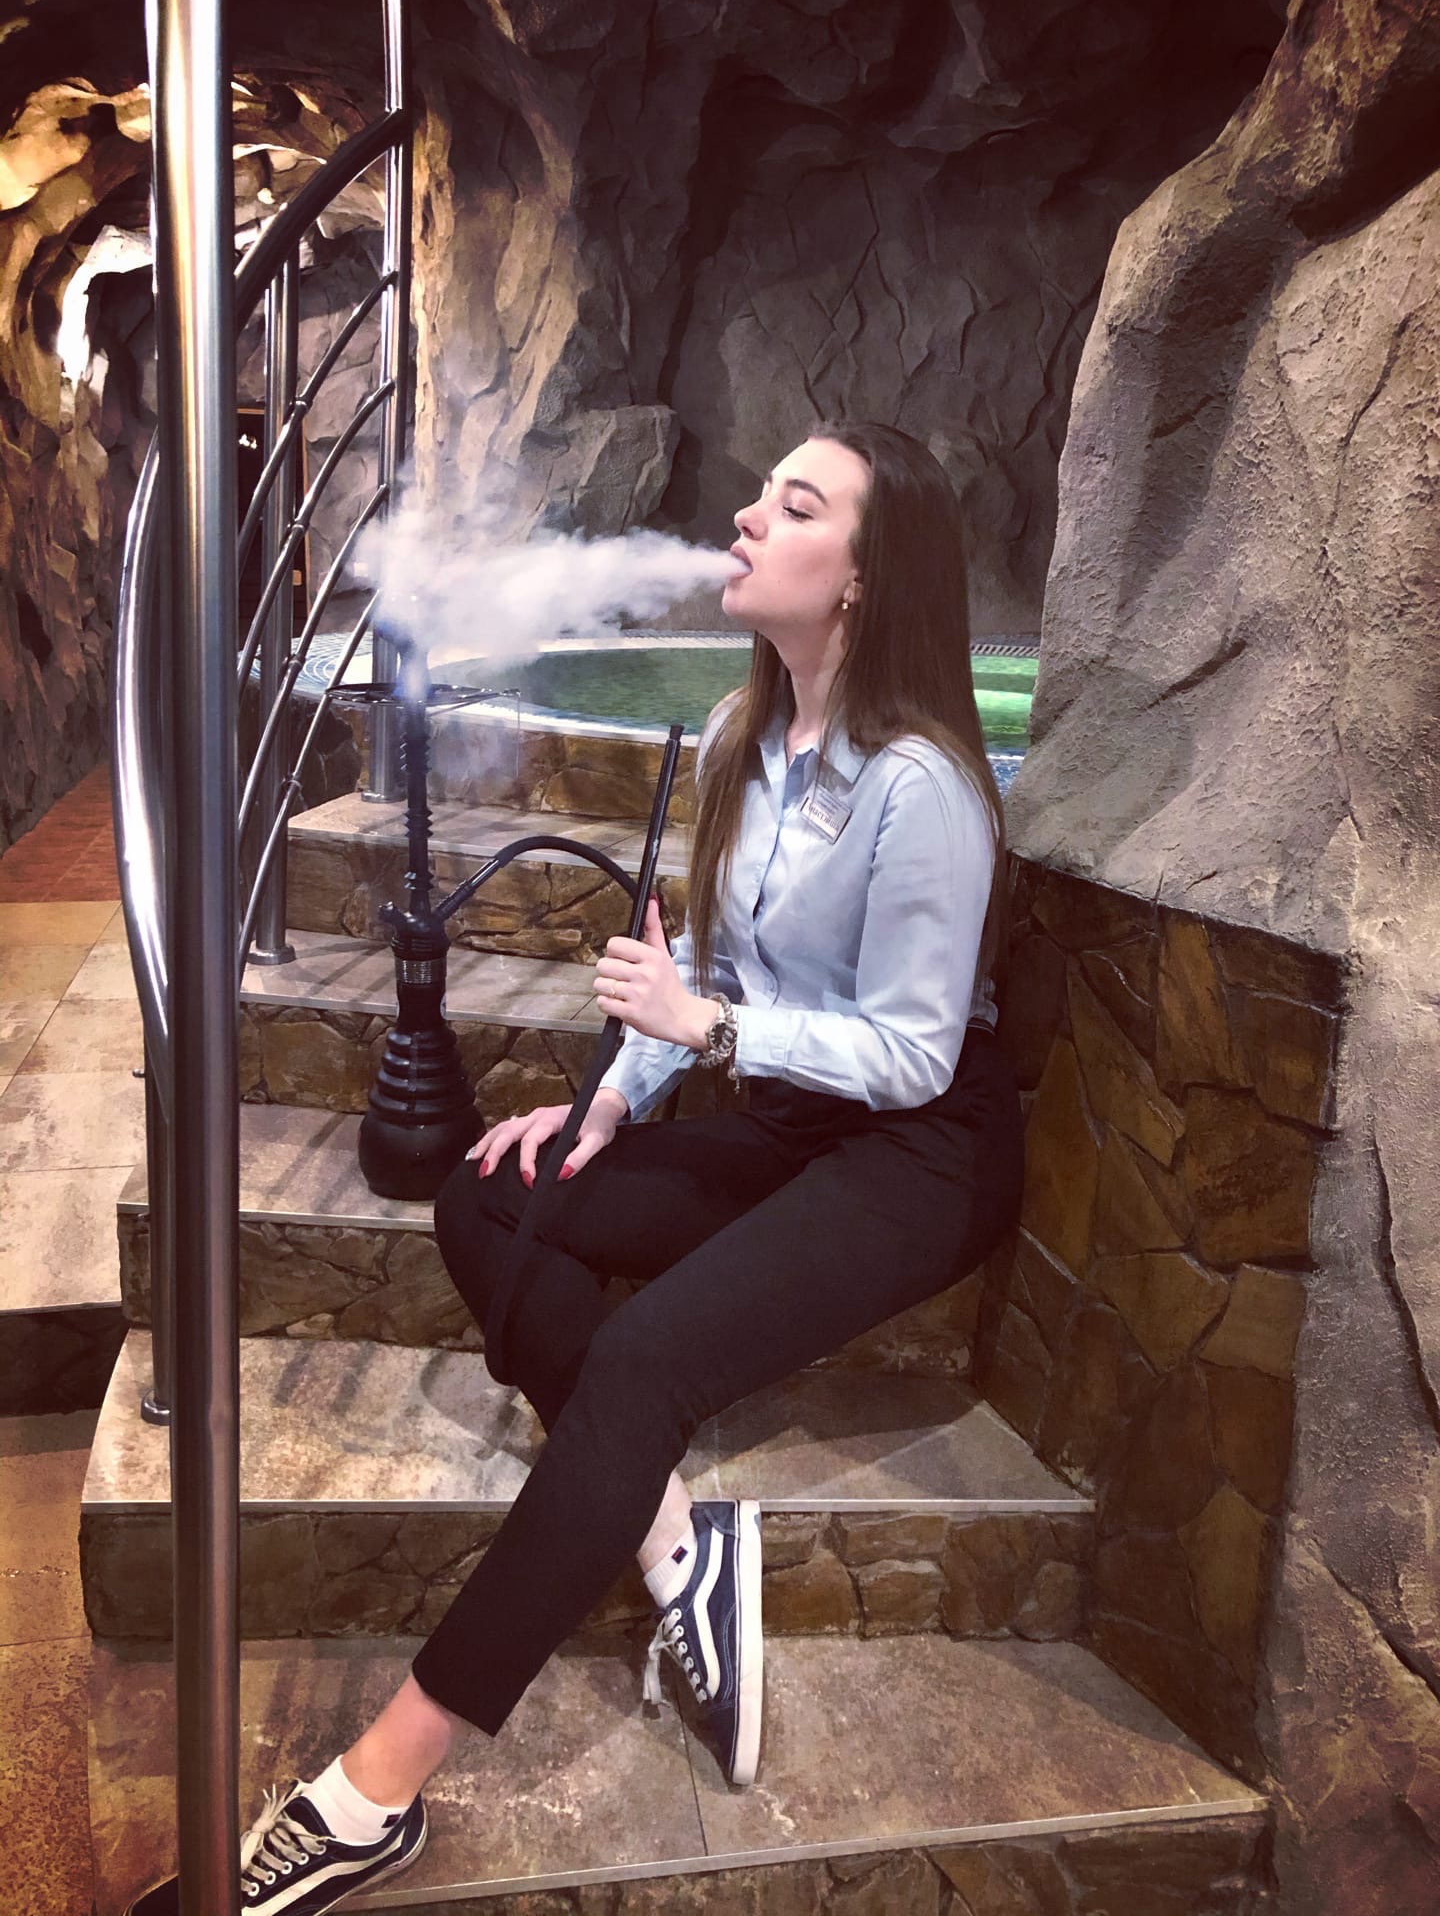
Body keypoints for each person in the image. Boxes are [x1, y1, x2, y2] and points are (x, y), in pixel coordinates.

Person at [127, 421, 1025, 1915]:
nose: (747, 516)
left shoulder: (919, 785)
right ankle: (677, 1544)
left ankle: (376, 1790)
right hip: (794, 1116)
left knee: (647, 1356)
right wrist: (606, 1103)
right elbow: (707, 971)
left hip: (920, 1153)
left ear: (865, 580)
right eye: (762, 492)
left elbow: (912, 1056)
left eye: (795, 505)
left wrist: (707, 1027)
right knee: (491, 1191)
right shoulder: (746, 737)